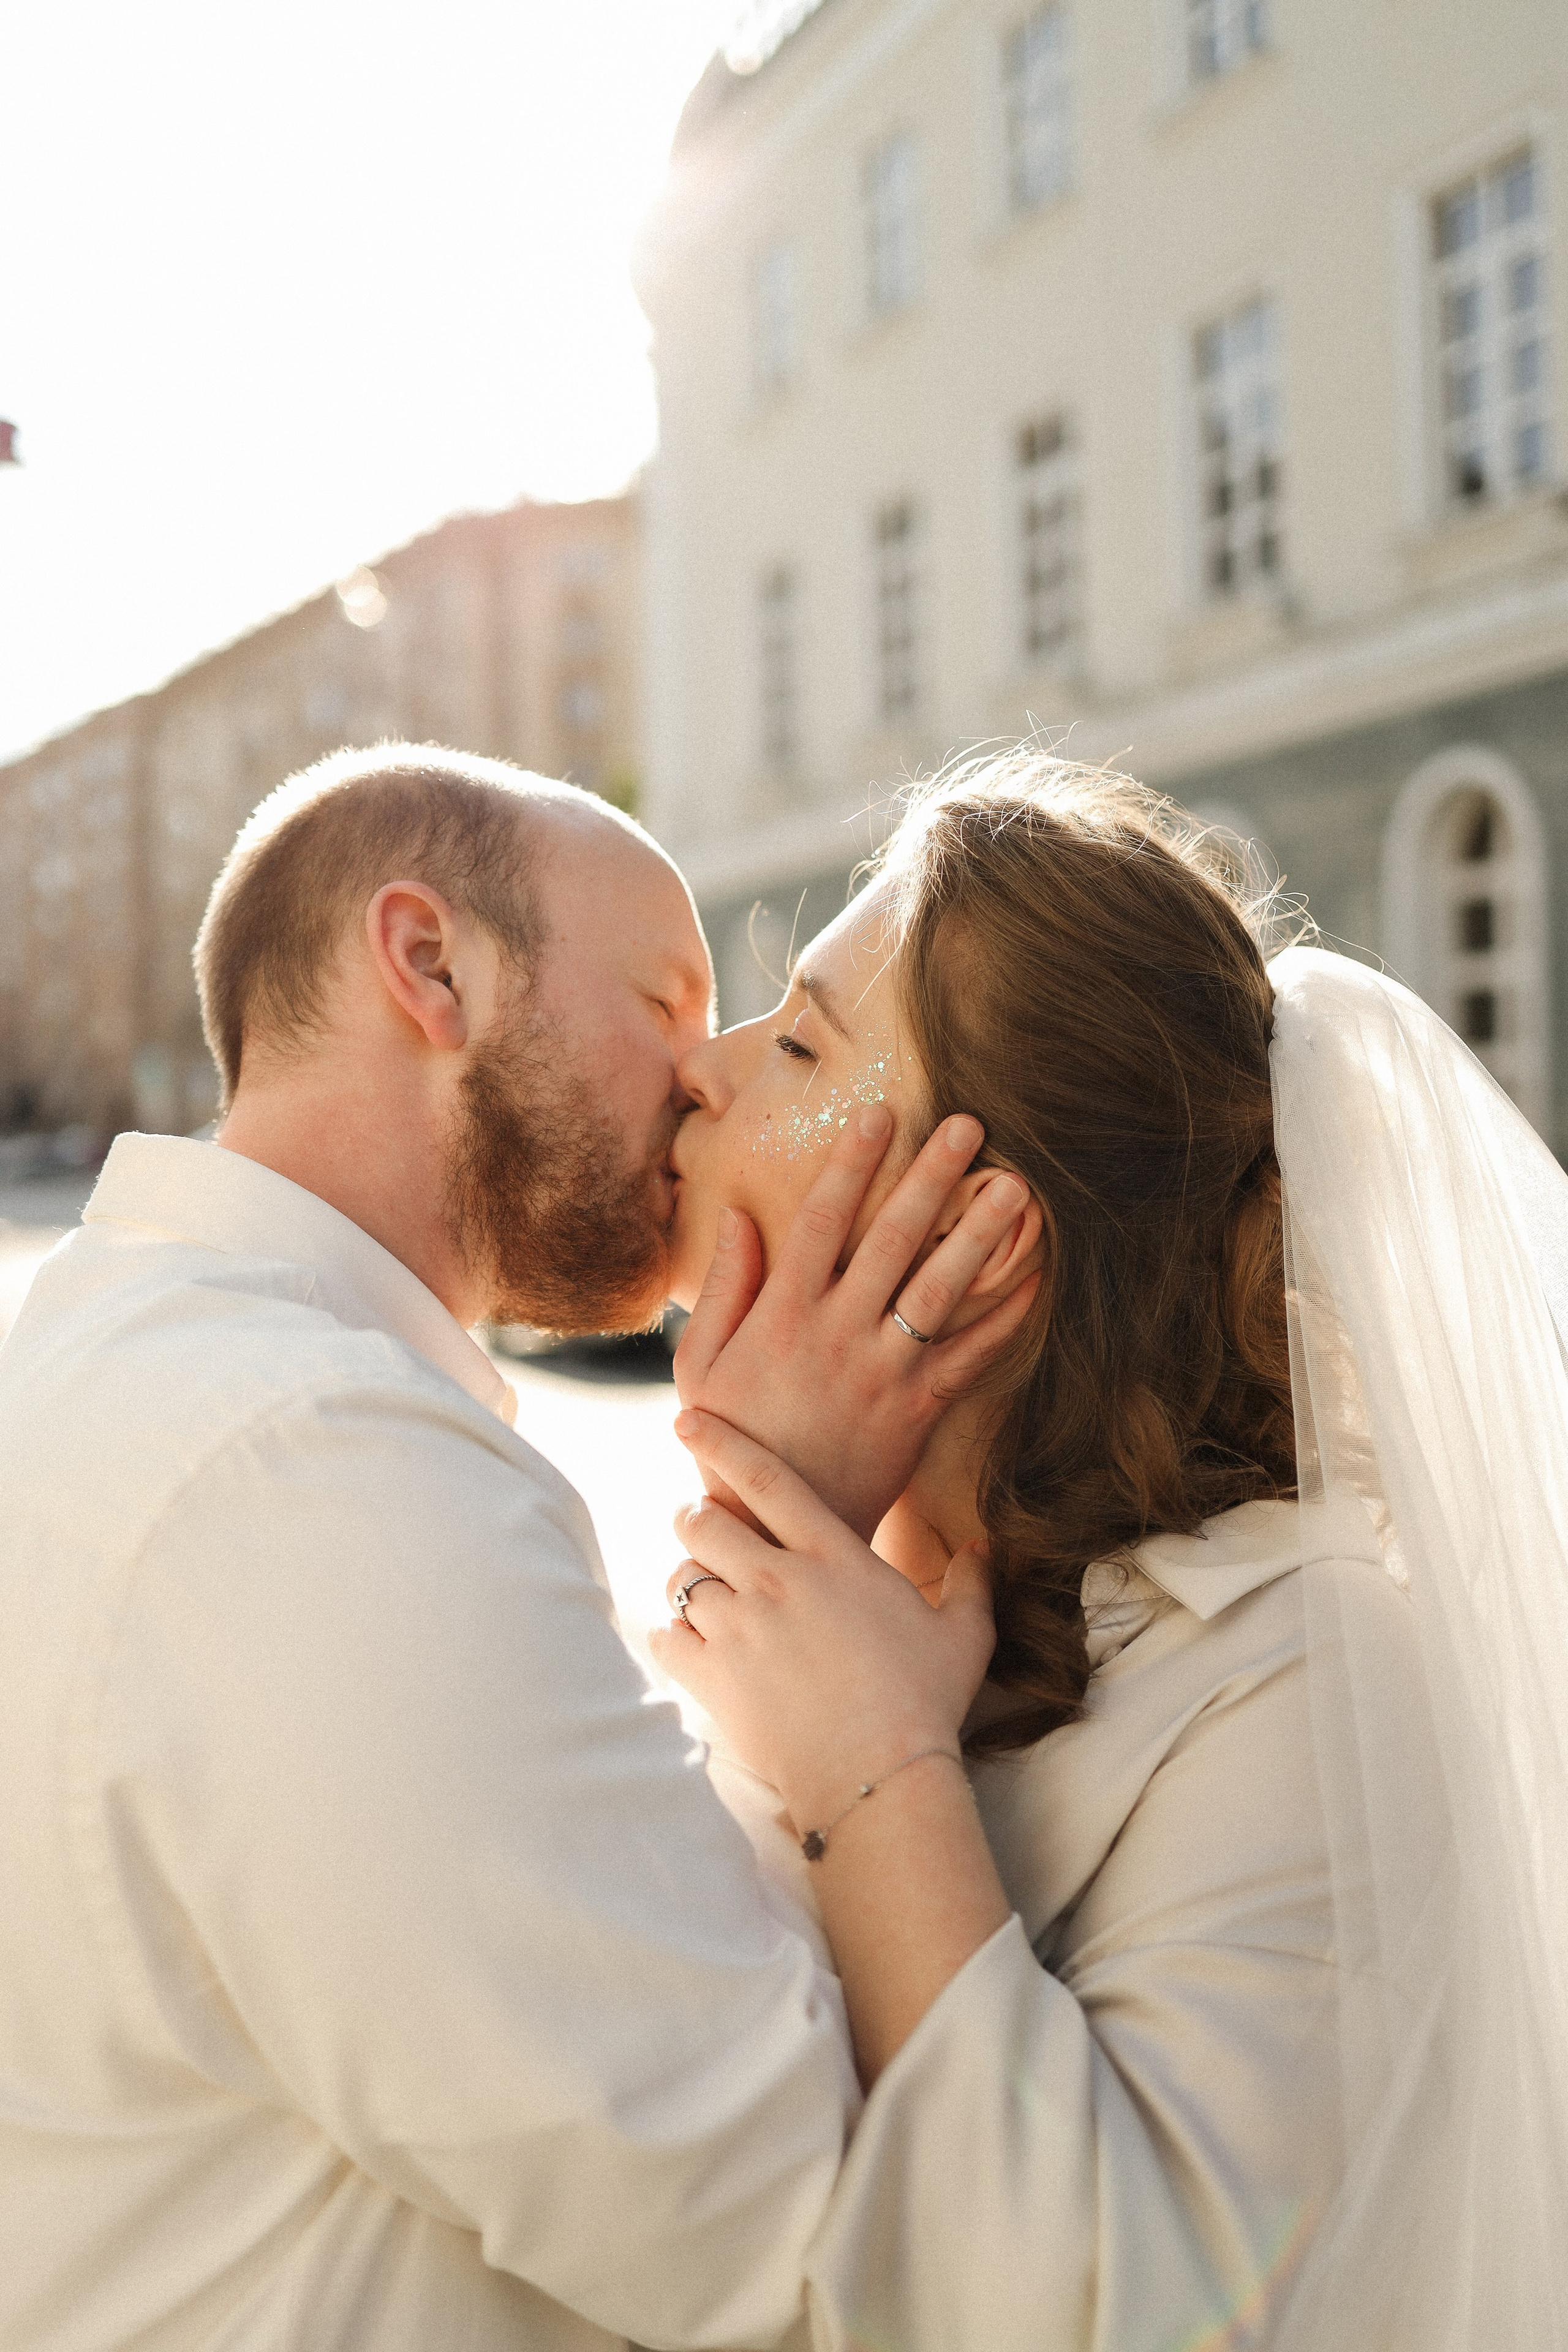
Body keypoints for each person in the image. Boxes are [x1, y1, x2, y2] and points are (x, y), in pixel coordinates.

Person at [0, 744, 1034, 2352]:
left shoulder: (115, 1362)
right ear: (432, 965)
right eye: (664, 1005)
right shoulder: (313, 1471)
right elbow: (804, 2232)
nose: (705, 1078)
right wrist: (793, 1522)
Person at [658, 752, 1568, 2352]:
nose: (704, 1076)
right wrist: (775, 1511)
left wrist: (877, 1772)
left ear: (985, 1226)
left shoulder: (1313, 1669)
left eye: (801, 1037)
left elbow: (1114, 2311)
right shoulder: (882, 1609)